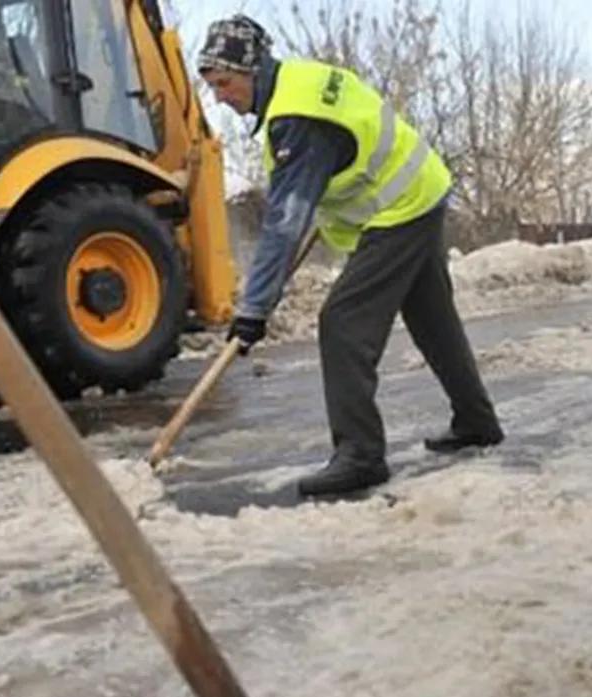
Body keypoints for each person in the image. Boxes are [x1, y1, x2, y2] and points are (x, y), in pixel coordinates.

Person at [196, 15, 504, 497]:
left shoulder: (296, 120)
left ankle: (360, 455)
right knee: (432, 318)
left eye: (225, 82)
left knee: (342, 321)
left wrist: (254, 310)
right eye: (212, 86)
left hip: (399, 208)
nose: (220, 96)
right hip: (419, 189)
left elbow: (285, 224)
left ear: (252, 69)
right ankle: (477, 421)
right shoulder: (297, 86)